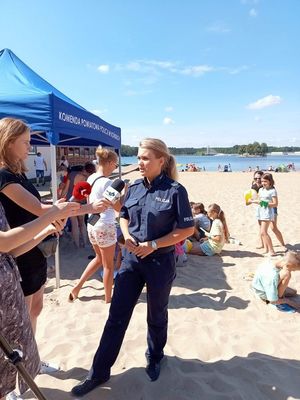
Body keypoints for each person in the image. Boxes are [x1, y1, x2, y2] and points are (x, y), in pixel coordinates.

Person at [71, 138, 194, 396]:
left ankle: (155, 356)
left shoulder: (175, 190)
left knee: (157, 315)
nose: (140, 162)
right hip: (131, 261)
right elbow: (124, 214)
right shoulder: (134, 187)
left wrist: (154, 244)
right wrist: (125, 235)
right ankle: (98, 373)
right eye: (138, 157)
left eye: (146, 158)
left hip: (160, 261)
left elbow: (187, 229)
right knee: (116, 316)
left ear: (162, 160)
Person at [0, 117, 110, 375]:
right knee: (21, 321)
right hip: (20, 251)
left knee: (35, 309)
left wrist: (61, 212)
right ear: (9, 141)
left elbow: (45, 211)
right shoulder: (3, 175)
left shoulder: (18, 172)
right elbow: (39, 209)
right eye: (26, 142)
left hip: (34, 245)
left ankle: (32, 363)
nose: (30, 147)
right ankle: (17, 377)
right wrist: (87, 208)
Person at [0, 200, 80, 400]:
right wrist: (50, 215)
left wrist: (45, 230)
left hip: (9, 299)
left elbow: (8, 253)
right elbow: (4, 242)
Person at [68, 147, 122, 304]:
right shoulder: (108, 183)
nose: (115, 168)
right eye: (116, 165)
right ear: (110, 163)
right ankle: (108, 299)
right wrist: (121, 194)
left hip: (92, 223)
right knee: (108, 265)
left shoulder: (91, 178)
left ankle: (77, 287)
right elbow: (118, 208)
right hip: (105, 225)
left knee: (99, 258)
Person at [248, 171, 286, 252]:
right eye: (256, 178)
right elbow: (255, 198)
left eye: (259, 178)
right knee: (261, 228)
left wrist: (261, 203)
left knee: (273, 227)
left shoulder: (271, 188)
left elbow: (273, 203)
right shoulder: (254, 187)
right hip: (261, 209)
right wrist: (251, 201)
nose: (258, 180)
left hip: (270, 209)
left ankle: (282, 244)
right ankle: (264, 246)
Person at [62, 161, 96, 248]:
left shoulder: (72, 174)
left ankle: (76, 245)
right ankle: (85, 243)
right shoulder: (88, 178)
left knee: (74, 223)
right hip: (82, 202)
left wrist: (61, 198)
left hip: (71, 201)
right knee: (82, 223)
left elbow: (65, 189)